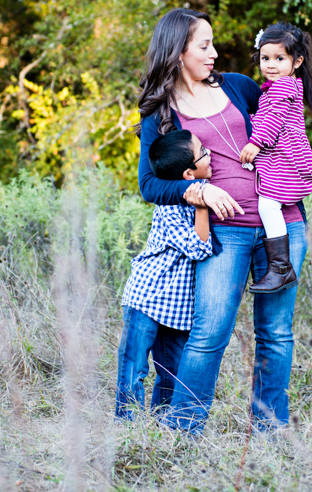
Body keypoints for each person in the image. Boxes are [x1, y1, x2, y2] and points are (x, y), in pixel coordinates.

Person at [136, 7, 309, 433]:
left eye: (212, 43)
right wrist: (199, 190)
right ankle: (182, 430)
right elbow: (149, 185)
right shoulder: (160, 114)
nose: (214, 52)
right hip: (224, 233)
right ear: (178, 52)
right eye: (204, 45)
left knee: (277, 333)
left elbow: (284, 124)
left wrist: (294, 171)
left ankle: (271, 431)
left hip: (282, 225)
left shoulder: (242, 87)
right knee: (210, 333)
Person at [116, 129, 213, 420]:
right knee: (134, 367)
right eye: (203, 153)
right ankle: (127, 427)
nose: (210, 154)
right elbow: (199, 248)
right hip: (147, 298)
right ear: (188, 174)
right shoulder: (169, 207)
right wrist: (202, 208)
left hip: (178, 308)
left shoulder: (204, 186)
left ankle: (161, 430)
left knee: (171, 374)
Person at [238, 23, 312, 293]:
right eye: (265, 58)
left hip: (285, 160)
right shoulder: (277, 87)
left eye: (279, 58)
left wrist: (255, 143)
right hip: (282, 157)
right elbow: (266, 115)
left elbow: (272, 120)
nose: (271, 64)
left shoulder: (284, 86)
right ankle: (279, 267)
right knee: (269, 204)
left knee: (268, 206)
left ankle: (280, 268)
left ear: (297, 61)